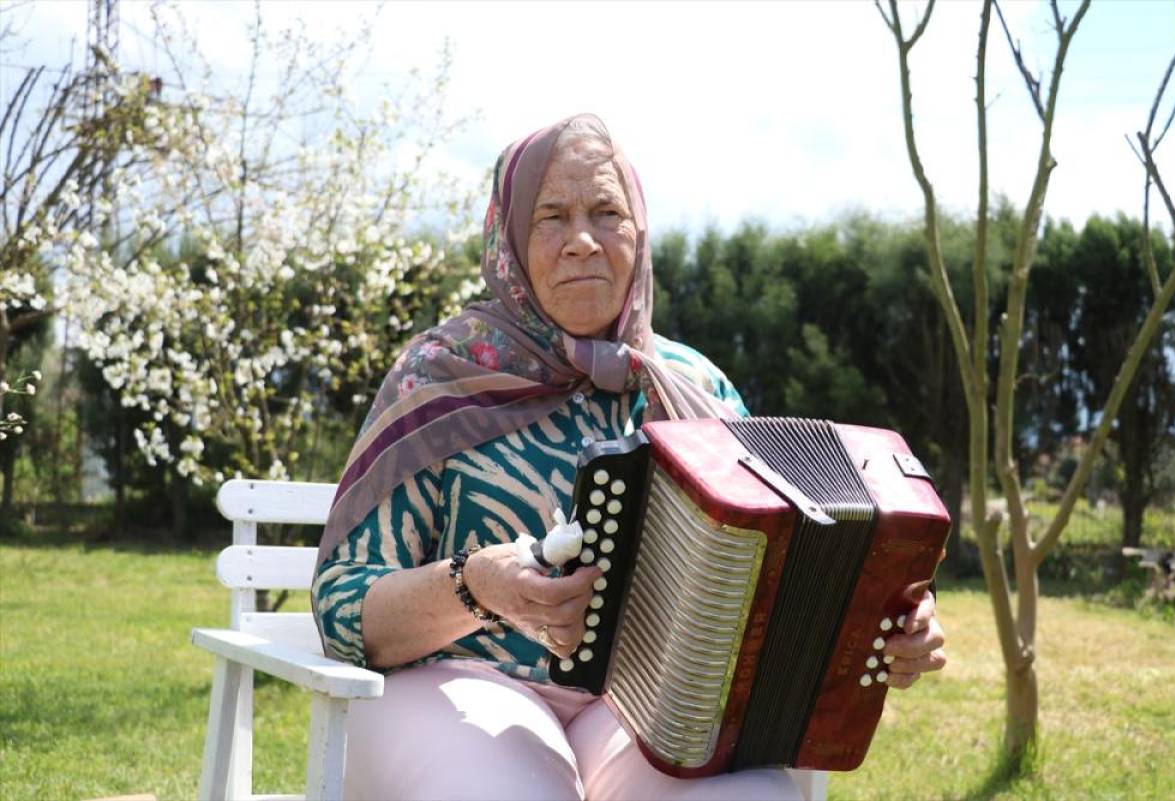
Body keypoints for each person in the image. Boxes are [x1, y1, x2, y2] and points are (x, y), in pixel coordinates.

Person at [312, 113, 947, 801]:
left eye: (606, 212)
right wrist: (478, 587)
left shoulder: (694, 385)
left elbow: (778, 569)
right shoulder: (439, 376)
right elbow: (343, 604)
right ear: (510, 237)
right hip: (458, 684)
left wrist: (881, 621)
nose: (582, 240)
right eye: (552, 216)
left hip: (644, 708)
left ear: (638, 231)